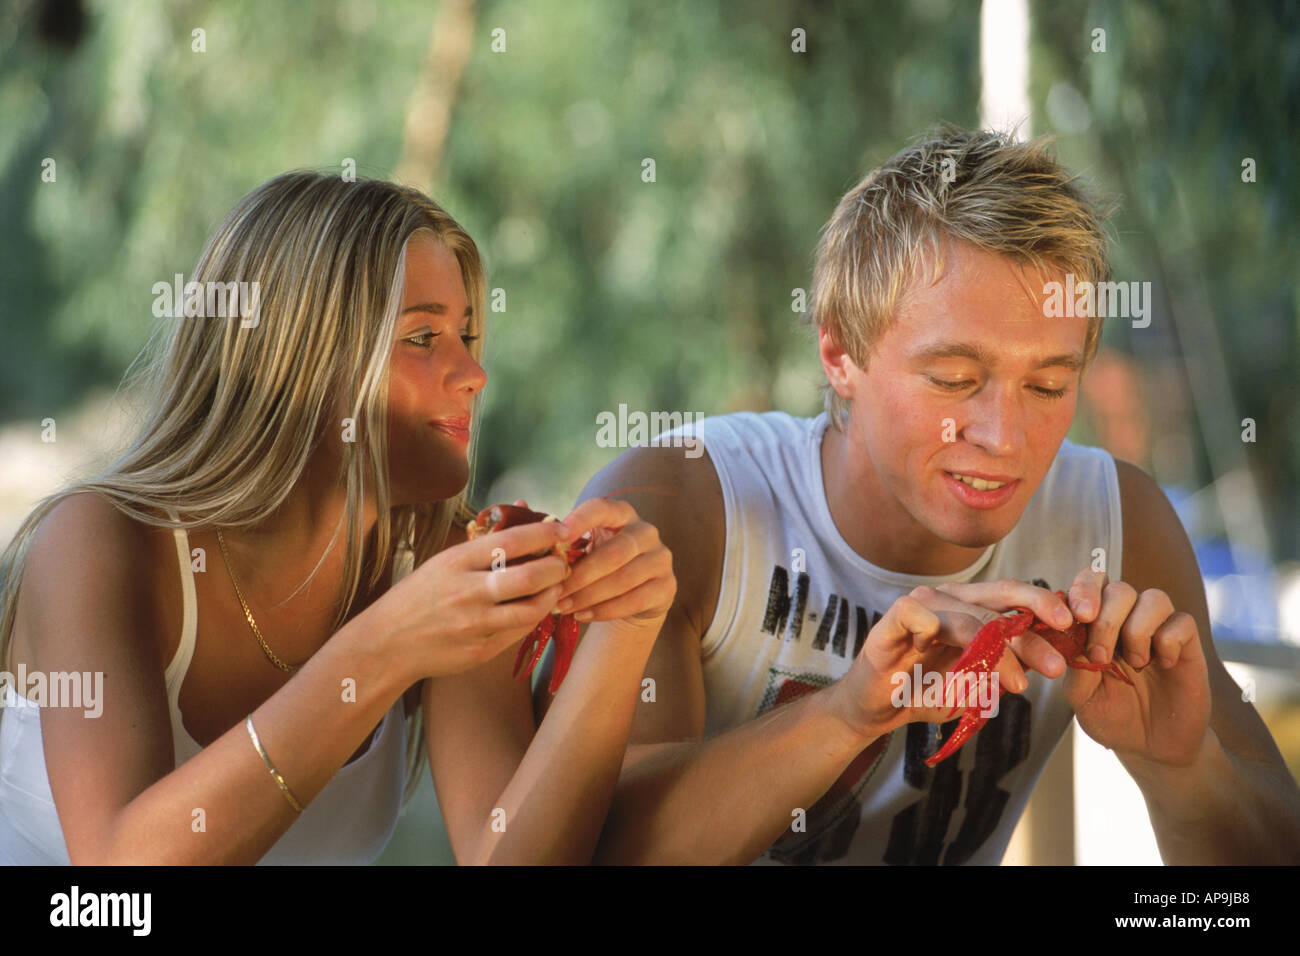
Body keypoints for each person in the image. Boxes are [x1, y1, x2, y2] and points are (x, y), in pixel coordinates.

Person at [555, 126, 1300, 865]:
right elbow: (588, 849)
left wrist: (1186, 769)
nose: (1004, 436)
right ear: (840, 352)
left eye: (1048, 385)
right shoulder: (685, 504)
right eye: (953, 379)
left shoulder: (1114, 523)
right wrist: (845, 716)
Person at [0, 171, 675, 865]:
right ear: (296, 357)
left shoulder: (441, 557)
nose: (473, 374)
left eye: (468, 336)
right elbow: (120, 877)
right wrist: (384, 648)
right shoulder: (101, 541)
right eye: (423, 337)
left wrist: (627, 629)